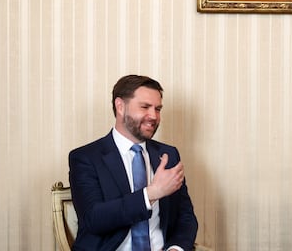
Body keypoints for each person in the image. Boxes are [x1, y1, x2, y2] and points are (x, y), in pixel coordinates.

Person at [68, 75, 198, 251]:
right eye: (145, 107)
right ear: (120, 106)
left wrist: (175, 248)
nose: (154, 116)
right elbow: (93, 219)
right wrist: (151, 194)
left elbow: (185, 216)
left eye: (158, 109)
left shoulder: (169, 154)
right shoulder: (85, 158)